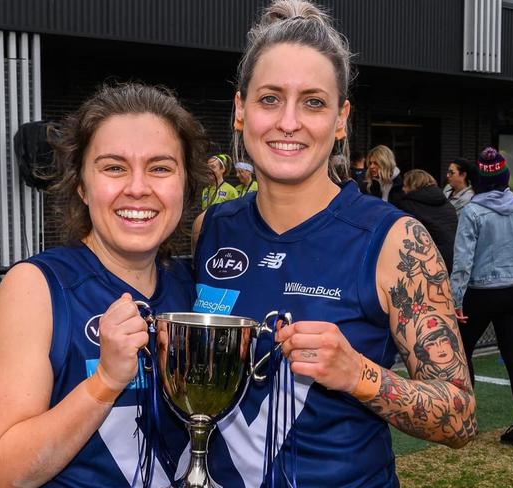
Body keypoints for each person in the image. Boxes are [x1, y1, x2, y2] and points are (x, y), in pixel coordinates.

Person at [191, 1, 476, 486]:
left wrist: (358, 375)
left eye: (314, 102)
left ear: (342, 118)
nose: (288, 122)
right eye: (269, 98)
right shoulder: (210, 228)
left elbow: (462, 417)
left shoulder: (396, 241)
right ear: (240, 110)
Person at [0, 83, 209, 486]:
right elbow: (5, 471)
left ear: (185, 184)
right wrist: (105, 381)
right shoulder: (37, 288)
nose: (138, 187)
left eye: (160, 167)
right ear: (82, 185)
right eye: (114, 167)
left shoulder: (194, 287)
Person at [451, 147, 513, 449]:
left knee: (463, 354)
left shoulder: (473, 211)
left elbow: (463, 260)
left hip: (480, 292)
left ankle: (468, 422)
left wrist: (455, 299)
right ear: (506, 179)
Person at [398, 169, 458, 273]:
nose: (403, 189)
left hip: (431, 264)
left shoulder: (408, 205)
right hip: (453, 260)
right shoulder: (447, 204)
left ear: (413, 186)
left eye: (405, 185)